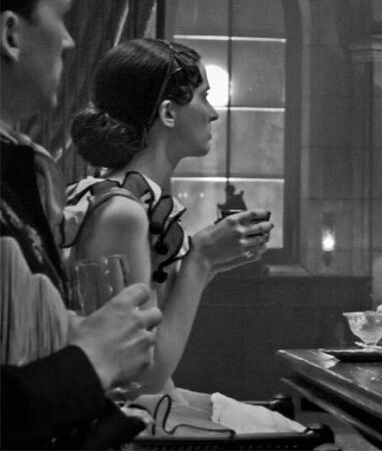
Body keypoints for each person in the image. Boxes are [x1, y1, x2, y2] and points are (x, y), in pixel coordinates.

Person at [1, 0, 163, 448]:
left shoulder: (20, 170)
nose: (70, 41)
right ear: (10, 32)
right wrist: (89, 361)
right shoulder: (121, 206)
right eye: (61, 15)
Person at [63, 37, 274, 395]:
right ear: (168, 113)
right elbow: (143, 378)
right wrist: (201, 259)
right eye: (203, 96)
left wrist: (215, 261)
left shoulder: (132, 198)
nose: (213, 113)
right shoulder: (122, 212)